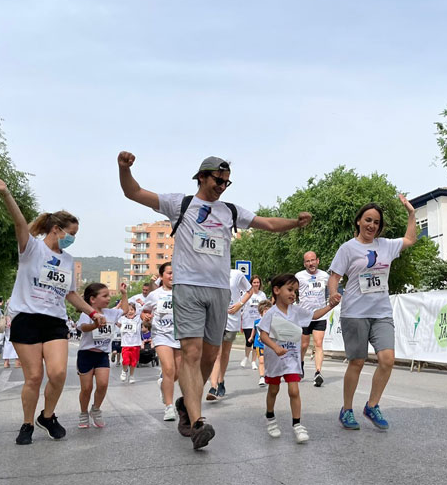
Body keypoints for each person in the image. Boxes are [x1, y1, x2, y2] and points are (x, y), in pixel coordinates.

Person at [118, 152, 311, 450]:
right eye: (217, 180)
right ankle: (197, 422)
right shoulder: (179, 204)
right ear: (201, 177)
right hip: (189, 288)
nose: (222, 186)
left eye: (226, 182)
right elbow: (133, 192)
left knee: (210, 357)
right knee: (191, 353)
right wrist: (124, 169)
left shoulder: (229, 211)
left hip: (219, 291)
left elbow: (268, 224)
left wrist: (295, 223)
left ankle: (187, 403)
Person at [0, 175, 102, 445]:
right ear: (56, 228)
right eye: (71, 233)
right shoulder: (31, 248)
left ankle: (47, 416)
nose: (73, 239)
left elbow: (70, 294)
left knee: (57, 373)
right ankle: (27, 424)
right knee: (33, 377)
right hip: (27, 320)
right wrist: (6, 194)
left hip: (54, 320)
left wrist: (92, 312)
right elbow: (20, 223)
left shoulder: (68, 260)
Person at [328, 195, 418, 430]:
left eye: (376, 222)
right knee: (357, 361)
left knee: (387, 360)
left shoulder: (386, 245)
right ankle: (347, 409)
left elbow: (410, 238)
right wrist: (333, 293)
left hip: (381, 312)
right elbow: (335, 276)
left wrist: (411, 213)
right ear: (359, 221)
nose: (372, 225)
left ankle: (372, 405)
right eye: (368, 220)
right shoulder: (348, 248)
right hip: (355, 313)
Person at [258, 273, 340, 443]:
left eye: (295, 291)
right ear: (276, 290)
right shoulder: (271, 313)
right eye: (289, 289)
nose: (293, 294)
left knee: (294, 390)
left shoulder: (296, 311)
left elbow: (315, 315)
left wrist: (331, 305)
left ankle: (297, 425)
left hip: (291, 359)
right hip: (274, 359)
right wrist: (275, 347)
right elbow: (263, 335)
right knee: (273, 390)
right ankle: (270, 417)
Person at [76, 282, 129, 429]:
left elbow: (125, 310)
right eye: (104, 296)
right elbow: (83, 327)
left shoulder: (111, 313)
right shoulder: (87, 313)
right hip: (86, 354)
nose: (108, 299)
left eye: (109, 295)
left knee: (103, 384)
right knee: (86, 388)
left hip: (102, 355)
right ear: (93, 299)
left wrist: (124, 294)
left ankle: (96, 409)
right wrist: (95, 324)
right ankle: (83, 413)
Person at [142, 261, 182, 421]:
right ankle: (169, 407)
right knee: (168, 368)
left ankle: (163, 385)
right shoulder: (154, 295)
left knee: (177, 373)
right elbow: (145, 312)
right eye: (169, 273)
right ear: (161, 276)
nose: (172, 276)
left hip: (179, 335)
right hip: (161, 335)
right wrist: (144, 317)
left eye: (175, 273)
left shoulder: (183, 292)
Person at [206, 268, 254, 401]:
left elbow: (249, 291)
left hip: (232, 318)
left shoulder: (236, 274)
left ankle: (221, 380)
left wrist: (240, 304)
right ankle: (213, 386)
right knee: (217, 353)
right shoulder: (211, 272)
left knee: (225, 353)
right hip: (215, 317)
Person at [296, 251, 330, 386]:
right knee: (304, 345)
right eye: (308, 261)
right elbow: (291, 290)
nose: (311, 263)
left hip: (320, 315)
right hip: (304, 316)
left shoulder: (324, 276)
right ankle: (300, 363)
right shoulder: (299, 276)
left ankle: (318, 373)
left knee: (318, 344)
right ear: (305, 263)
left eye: (313, 260)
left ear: (318, 261)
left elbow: (333, 288)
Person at [240, 274, 266, 370]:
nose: (256, 284)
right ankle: (246, 357)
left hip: (258, 321)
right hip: (248, 321)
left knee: (256, 342)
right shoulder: (246, 293)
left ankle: (254, 361)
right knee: (248, 341)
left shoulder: (262, 295)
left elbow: (265, 307)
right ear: (251, 284)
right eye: (254, 282)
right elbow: (241, 305)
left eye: (257, 282)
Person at [118, 301, 144, 384]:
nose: (130, 311)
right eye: (128, 310)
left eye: (132, 310)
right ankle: (124, 370)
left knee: (133, 362)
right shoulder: (122, 319)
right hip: (125, 344)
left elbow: (144, 310)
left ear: (135, 311)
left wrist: (141, 303)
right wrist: (119, 306)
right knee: (125, 360)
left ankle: (131, 375)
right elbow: (116, 321)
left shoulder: (138, 318)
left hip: (136, 344)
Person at [250, 299, 272, 386]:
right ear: (261, 312)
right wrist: (251, 337)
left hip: (270, 345)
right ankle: (262, 377)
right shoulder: (257, 322)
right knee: (261, 361)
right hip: (259, 344)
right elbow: (254, 330)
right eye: (265, 311)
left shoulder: (272, 322)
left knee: (269, 361)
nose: (267, 313)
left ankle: (269, 374)